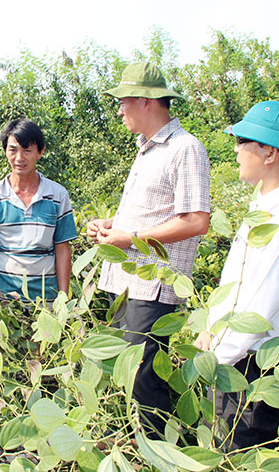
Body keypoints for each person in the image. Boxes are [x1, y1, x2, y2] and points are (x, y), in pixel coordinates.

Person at [86, 62, 211, 437]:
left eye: (122, 102)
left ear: (145, 101)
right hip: (126, 281)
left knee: (143, 378)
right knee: (126, 372)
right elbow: (155, 211)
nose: (119, 111)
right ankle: (136, 448)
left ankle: (159, 451)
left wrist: (130, 238)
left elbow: (195, 221)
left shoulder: (185, 148)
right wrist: (111, 224)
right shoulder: (147, 150)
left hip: (153, 286)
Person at [194, 100, 279, 449]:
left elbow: (255, 312)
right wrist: (211, 329)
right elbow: (239, 286)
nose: (236, 150)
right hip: (238, 357)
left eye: (243, 142)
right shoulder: (268, 206)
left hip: (253, 369)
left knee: (237, 454)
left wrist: (209, 361)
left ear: (270, 152)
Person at [0, 119, 77, 302]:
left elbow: (62, 249)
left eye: (27, 150)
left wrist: (63, 298)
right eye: (13, 150)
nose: (19, 158)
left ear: (40, 152)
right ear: (5, 151)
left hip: (45, 299)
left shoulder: (58, 195)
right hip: (1, 300)